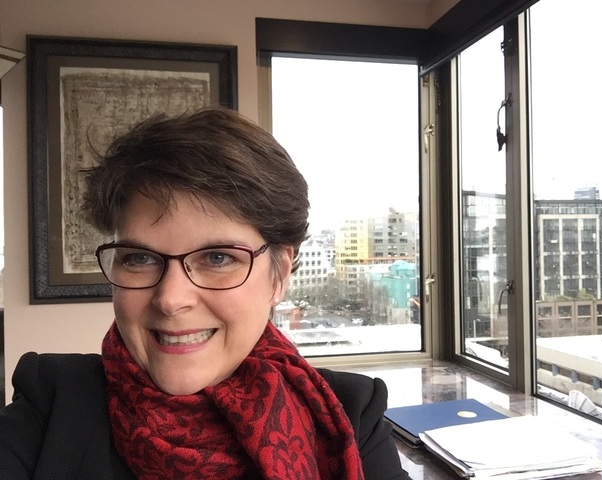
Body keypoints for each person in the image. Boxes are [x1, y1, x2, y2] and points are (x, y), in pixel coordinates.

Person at [0, 108, 408, 479]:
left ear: (279, 273)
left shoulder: (348, 416)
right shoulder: (49, 404)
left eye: (217, 257)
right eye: (140, 258)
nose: (171, 299)